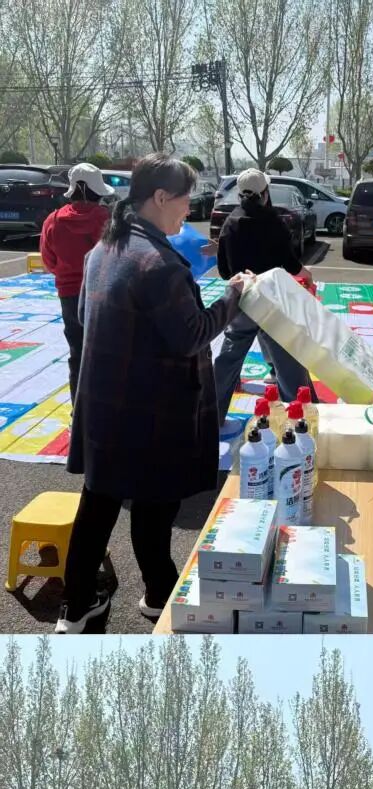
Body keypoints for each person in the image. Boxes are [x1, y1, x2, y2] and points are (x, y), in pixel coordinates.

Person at [58, 153, 248, 634]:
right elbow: (192, 334)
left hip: (105, 404)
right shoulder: (159, 263)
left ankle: (75, 606)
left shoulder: (103, 249)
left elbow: (82, 317)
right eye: (186, 199)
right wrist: (234, 295)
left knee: (97, 506)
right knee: (154, 507)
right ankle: (160, 595)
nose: (190, 209)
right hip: (151, 409)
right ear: (161, 198)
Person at [211, 168, 315, 424]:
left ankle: (211, 414)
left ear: (239, 194)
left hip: (241, 299)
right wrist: (307, 274)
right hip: (271, 302)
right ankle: (299, 418)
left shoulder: (231, 222)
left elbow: (224, 271)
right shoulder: (274, 221)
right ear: (265, 193)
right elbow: (290, 263)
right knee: (288, 359)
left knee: (229, 358)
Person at [39, 162, 110, 403]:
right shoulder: (107, 219)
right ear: (97, 191)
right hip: (104, 294)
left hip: (69, 295)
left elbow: (49, 261)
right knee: (109, 352)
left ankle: (79, 408)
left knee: (78, 353)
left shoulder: (53, 221)